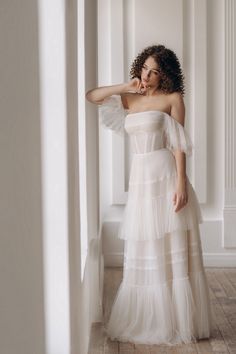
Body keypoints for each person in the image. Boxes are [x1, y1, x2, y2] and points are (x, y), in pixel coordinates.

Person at [86, 44, 214, 346]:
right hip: (141, 178)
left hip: (165, 174)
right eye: (145, 68)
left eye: (155, 70)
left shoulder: (173, 99)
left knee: (171, 246)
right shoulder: (129, 99)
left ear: (166, 74)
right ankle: (152, 318)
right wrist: (125, 86)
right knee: (146, 246)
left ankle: (177, 320)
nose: (149, 75)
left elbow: (178, 144)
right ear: (139, 67)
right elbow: (91, 96)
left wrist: (181, 183)